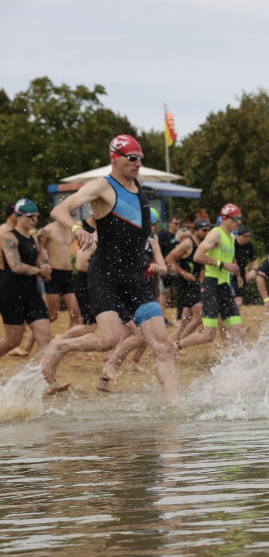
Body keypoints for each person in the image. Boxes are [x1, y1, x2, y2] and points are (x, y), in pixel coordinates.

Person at [40, 135, 179, 406]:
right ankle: (61, 345)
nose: (138, 164)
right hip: (105, 274)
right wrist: (77, 229)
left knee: (163, 346)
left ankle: (176, 409)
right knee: (108, 339)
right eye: (132, 158)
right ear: (115, 158)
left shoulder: (138, 183)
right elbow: (60, 210)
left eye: (141, 158)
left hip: (135, 276)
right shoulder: (102, 186)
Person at [177, 203, 245, 350]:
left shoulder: (231, 237)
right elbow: (197, 256)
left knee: (238, 332)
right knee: (208, 336)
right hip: (212, 286)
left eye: (240, 218)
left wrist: (237, 274)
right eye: (236, 218)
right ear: (225, 218)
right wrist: (222, 264)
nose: (239, 222)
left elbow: (230, 260)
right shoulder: (215, 233)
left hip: (225, 287)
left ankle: (240, 362)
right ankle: (176, 347)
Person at [0, 199, 54, 362]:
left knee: (45, 338)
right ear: (19, 216)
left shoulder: (33, 240)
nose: (34, 220)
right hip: (11, 294)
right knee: (13, 341)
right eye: (30, 216)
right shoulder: (9, 237)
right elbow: (16, 266)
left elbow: (38, 264)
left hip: (32, 294)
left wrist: (45, 270)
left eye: (36, 216)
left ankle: (42, 376)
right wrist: (39, 271)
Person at [164, 218, 210, 340]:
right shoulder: (188, 243)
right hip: (185, 283)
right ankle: (180, 343)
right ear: (196, 230)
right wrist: (183, 273)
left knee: (186, 318)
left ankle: (176, 340)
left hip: (195, 283)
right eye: (204, 230)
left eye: (208, 230)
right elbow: (169, 258)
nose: (207, 232)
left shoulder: (202, 244)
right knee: (199, 316)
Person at [37, 213, 81, 325]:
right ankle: (35, 334)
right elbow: (36, 251)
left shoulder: (71, 230)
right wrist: (42, 268)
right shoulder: (48, 230)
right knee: (53, 315)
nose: (72, 217)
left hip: (68, 273)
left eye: (73, 215)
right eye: (70, 215)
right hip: (53, 274)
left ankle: (69, 336)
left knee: (75, 313)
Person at [232, 224, 256, 307]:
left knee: (239, 301)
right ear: (239, 235)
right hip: (231, 273)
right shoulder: (233, 244)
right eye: (246, 236)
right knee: (235, 302)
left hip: (241, 274)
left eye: (249, 236)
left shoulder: (249, 245)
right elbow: (233, 262)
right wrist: (238, 276)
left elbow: (255, 262)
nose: (248, 238)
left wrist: (253, 270)